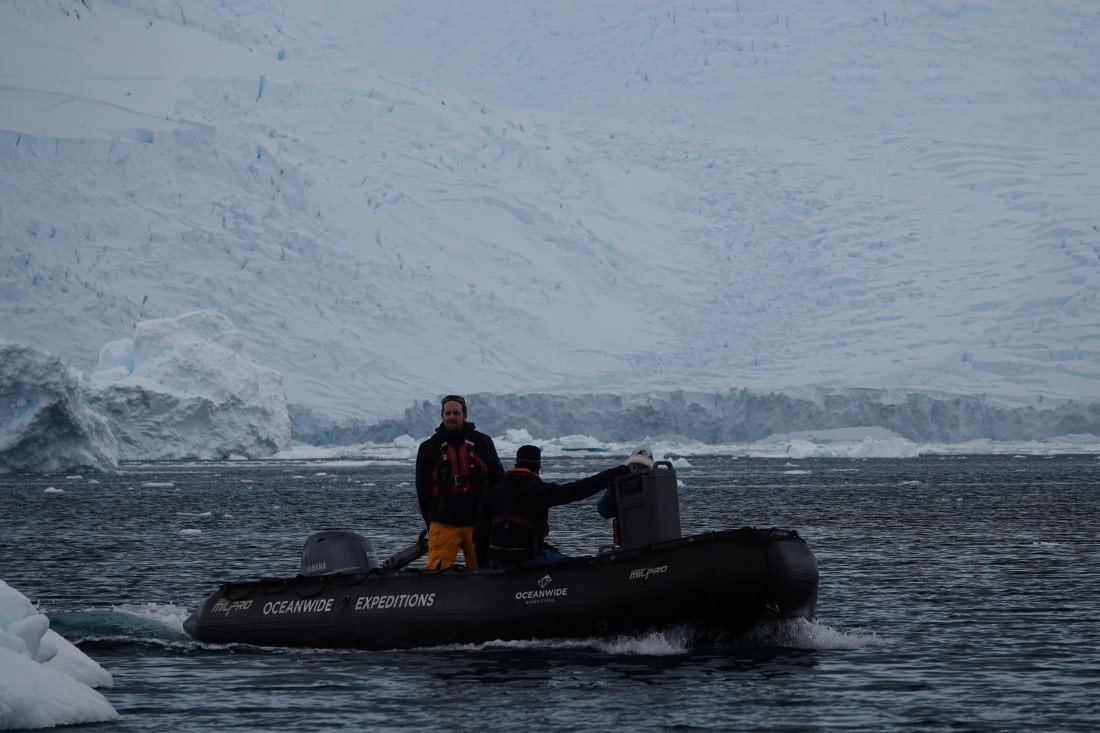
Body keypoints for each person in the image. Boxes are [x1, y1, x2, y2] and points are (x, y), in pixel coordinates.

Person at [476, 444, 654, 567]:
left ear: (516, 464)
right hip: (528, 557)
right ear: (537, 467)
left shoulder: (494, 492)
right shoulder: (541, 490)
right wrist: (613, 473)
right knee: (568, 562)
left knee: (548, 549)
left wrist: (483, 567)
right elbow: (579, 489)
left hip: (496, 559)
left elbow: (480, 533)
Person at [415, 394, 505, 570]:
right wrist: (431, 521)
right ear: (442, 416)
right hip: (443, 523)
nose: (452, 417)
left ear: (465, 415)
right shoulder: (429, 448)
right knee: (435, 572)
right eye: (448, 413)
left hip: (478, 524)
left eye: (456, 413)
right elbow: (422, 489)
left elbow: (498, 481)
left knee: (484, 571)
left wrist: (494, 517)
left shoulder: (482, 442)